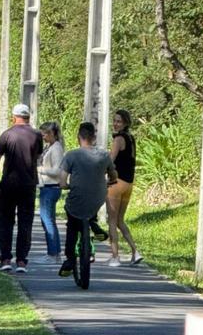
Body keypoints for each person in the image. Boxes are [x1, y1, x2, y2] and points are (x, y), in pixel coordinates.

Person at [57, 122, 118, 277]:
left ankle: (70, 260)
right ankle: (94, 224)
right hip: (98, 197)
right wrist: (110, 181)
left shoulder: (71, 155)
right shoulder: (104, 155)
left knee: (72, 225)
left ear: (79, 137)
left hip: (77, 198)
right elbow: (113, 175)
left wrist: (67, 186)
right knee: (91, 210)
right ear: (93, 137)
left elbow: (62, 181)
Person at [0, 103, 44, 273]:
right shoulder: (36, 135)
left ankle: (5, 258)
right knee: (25, 223)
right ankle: (21, 261)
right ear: (28, 117)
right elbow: (37, 156)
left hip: (8, 184)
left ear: (14, 117)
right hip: (28, 184)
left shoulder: (7, 134)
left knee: (5, 222)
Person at [106, 109, 142, 267]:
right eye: (114, 120)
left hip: (116, 183)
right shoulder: (131, 138)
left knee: (112, 221)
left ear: (126, 122)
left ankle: (115, 256)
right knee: (120, 220)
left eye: (119, 121)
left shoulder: (118, 139)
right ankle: (135, 252)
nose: (115, 123)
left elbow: (110, 160)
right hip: (128, 184)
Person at [38, 121, 65, 265]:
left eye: (46, 133)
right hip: (45, 187)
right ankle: (54, 251)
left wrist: (40, 169)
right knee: (47, 220)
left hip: (51, 187)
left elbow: (57, 171)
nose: (43, 136)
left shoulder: (56, 149)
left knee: (47, 220)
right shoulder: (49, 147)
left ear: (53, 134)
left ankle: (53, 253)